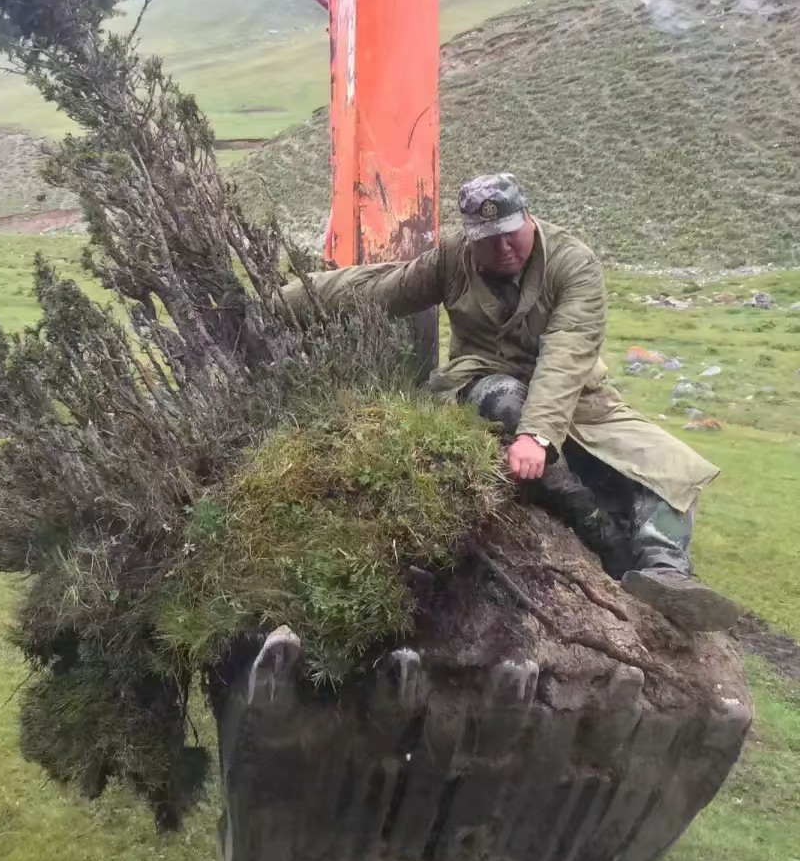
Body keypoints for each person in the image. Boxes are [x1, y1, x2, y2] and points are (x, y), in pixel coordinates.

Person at [279, 173, 739, 633]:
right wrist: (281, 301)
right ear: (470, 238)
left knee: (670, 466)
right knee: (502, 400)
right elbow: (381, 288)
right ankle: (600, 533)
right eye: (488, 239)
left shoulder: (573, 264)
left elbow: (566, 353)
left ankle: (666, 574)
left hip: (577, 397)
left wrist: (536, 435)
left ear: (528, 218)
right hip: (483, 379)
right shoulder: (452, 260)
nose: (502, 247)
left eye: (510, 233)